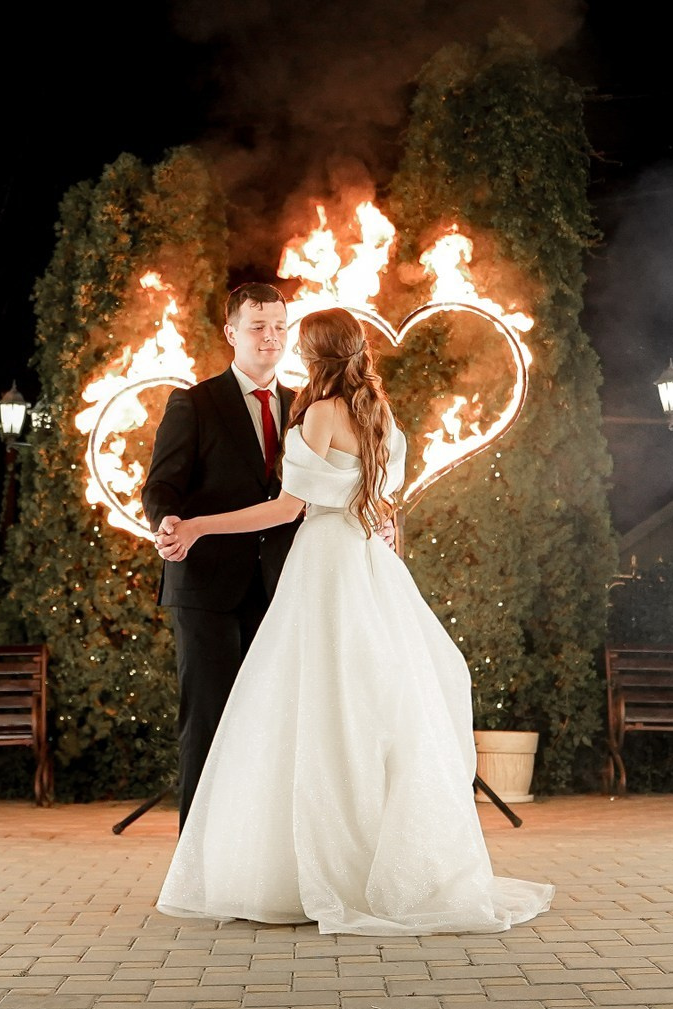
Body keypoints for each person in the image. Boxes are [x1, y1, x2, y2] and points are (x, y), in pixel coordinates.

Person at [151, 306, 552, 934]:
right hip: (371, 565)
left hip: (324, 565)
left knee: (309, 707)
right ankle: (378, 861)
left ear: (313, 354)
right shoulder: (379, 414)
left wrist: (200, 525)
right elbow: (382, 495)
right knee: (371, 707)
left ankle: (305, 866)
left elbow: (285, 509)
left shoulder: (317, 412)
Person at [142, 281, 298, 827]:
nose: (271, 337)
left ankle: (258, 856)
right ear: (231, 332)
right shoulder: (194, 402)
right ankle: (198, 865)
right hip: (207, 587)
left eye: (279, 326)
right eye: (258, 326)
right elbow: (161, 486)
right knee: (207, 722)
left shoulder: (304, 408)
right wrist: (165, 523)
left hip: (282, 590)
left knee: (273, 725)